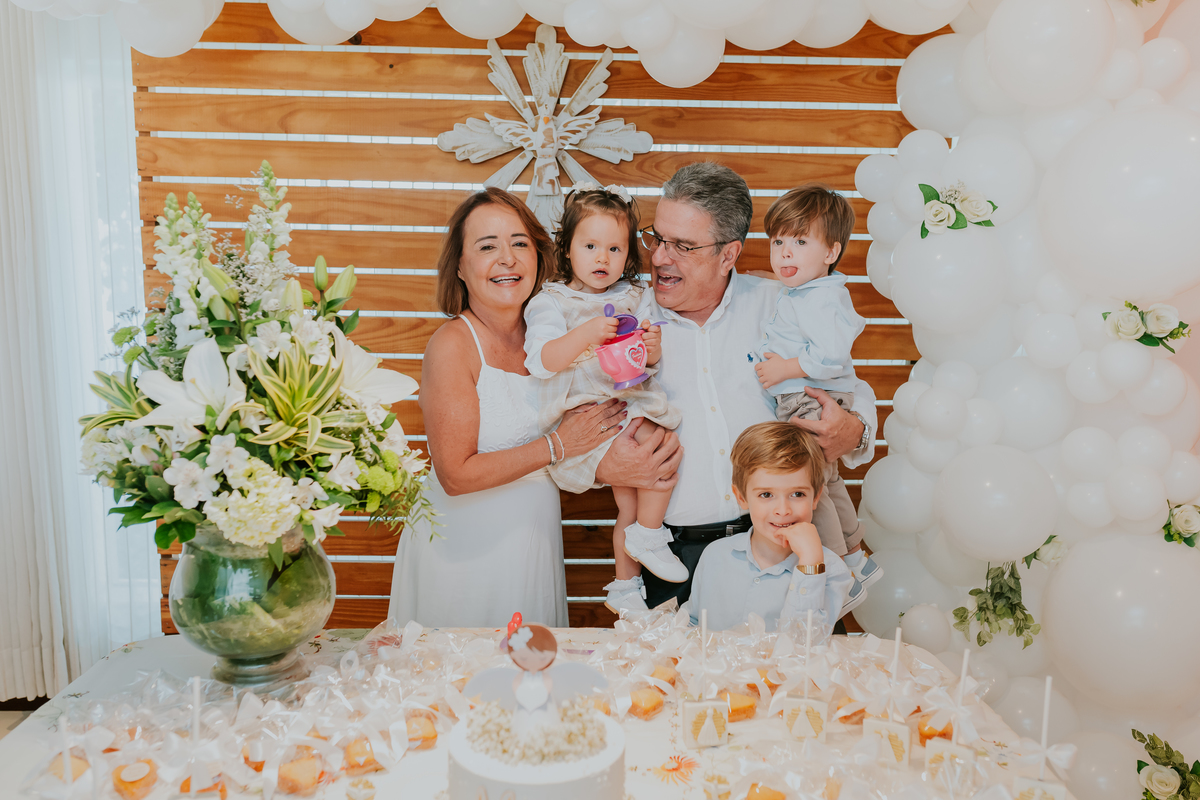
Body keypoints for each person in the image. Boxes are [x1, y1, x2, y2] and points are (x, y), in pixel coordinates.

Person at [593, 162, 878, 612]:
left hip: (782, 547)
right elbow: (569, 421)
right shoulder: (621, 322)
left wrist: (856, 428)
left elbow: (845, 382)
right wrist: (600, 465)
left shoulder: (782, 303)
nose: (661, 257)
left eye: (683, 246)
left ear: (729, 254)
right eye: (658, 238)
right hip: (673, 560)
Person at [388, 187, 625, 628]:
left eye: (519, 244)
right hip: (463, 549)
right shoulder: (454, 344)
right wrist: (558, 445)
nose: (507, 259)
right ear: (460, 265)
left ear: (540, 256)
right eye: (487, 247)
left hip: (532, 542)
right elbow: (455, 475)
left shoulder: (559, 338)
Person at [522, 185, 686, 615]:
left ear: (628, 254)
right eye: (590, 245)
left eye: (614, 248)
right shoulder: (551, 301)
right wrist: (585, 334)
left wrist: (651, 347)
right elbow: (542, 360)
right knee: (652, 461)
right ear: (568, 249)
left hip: (631, 400)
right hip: (587, 414)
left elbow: (647, 357)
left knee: (631, 500)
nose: (602, 258)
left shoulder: (633, 296)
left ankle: (626, 584)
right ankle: (648, 537)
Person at [752, 184, 882, 590]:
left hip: (807, 398)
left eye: (801, 241)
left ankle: (836, 571)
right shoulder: (805, 292)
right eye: (778, 241)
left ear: (831, 253)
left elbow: (830, 355)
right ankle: (857, 556)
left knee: (809, 489)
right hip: (805, 397)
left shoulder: (818, 300)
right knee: (827, 482)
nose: (785, 252)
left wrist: (784, 369)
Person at [686, 422, 854, 631]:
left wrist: (810, 565)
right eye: (766, 495)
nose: (783, 510)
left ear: (815, 497)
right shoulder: (714, 556)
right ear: (741, 497)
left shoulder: (831, 570)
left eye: (797, 494)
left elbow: (803, 648)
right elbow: (692, 624)